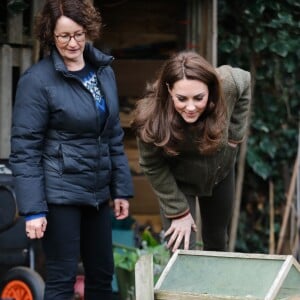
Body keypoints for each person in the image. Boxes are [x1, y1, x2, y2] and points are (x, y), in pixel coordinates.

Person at [9, 0, 134, 299]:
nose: (72, 43)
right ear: (51, 36)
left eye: (78, 34)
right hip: (59, 194)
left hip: (97, 192)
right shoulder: (37, 81)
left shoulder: (103, 72)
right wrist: (34, 210)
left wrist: (120, 189)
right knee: (62, 278)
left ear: (88, 31)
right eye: (63, 36)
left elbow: (113, 134)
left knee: (103, 276)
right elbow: (25, 148)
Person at [131, 51, 251, 253]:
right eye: (181, 98)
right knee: (183, 248)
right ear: (169, 89)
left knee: (217, 240)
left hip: (220, 173)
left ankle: (215, 285)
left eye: (198, 98)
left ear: (210, 90)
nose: (190, 107)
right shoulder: (150, 117)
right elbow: (151, 165)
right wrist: (178, 211)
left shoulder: (227, 84)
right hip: (179, 182)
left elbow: (245, 80)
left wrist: (234, 136)